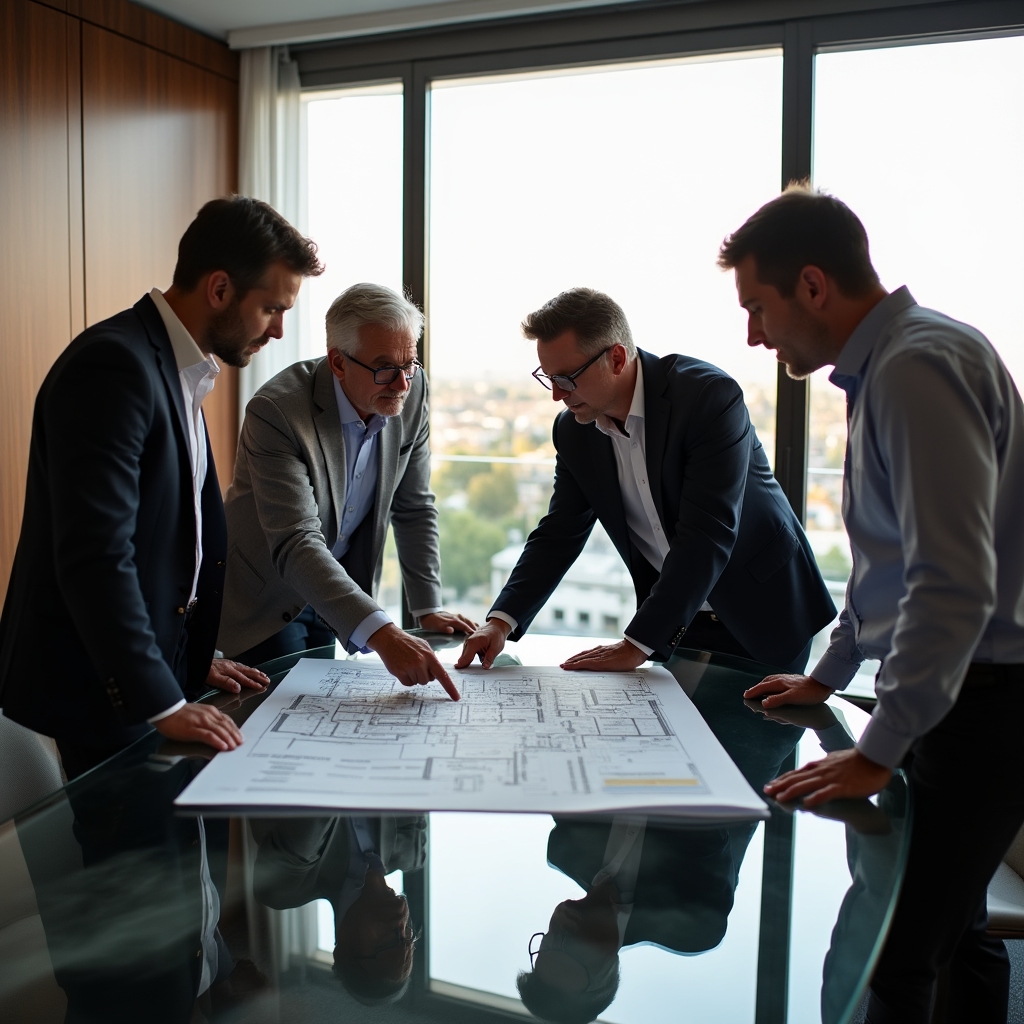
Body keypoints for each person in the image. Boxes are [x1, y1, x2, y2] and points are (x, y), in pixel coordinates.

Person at [718, 183, 1024, 1024]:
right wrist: (830, 674)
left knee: (888, 955)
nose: (754, 333)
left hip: (986, 700)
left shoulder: (918, 367)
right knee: (953, 930)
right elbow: (886, 568)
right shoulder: (892, 365)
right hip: (962, 692)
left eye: (758, 307)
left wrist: (879, 748)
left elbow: (954, 584)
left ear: (812, 286)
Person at [0, 196, 324, 778]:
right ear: (220, 289)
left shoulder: (181, 369)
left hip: (155, 676)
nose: (278, 330)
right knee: (136, 865)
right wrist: (163, 698)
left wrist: (190, 660)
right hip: (106, 689)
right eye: (272, 309)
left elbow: (168, 545)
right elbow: (96, 555)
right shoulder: (114, 365)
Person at [457, 288, 835, 676]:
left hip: (763, 607)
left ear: (616, 358)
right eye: (548, 378)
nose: (557, 395)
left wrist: (636, 644)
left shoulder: (707, 397)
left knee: (758, 735)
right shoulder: (574, 431)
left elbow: (707, 533)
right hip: (675, 623)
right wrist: (500, 621)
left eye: (567, 379)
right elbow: (560, 531)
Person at [218, 282, 474, 701]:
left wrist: (426, 606)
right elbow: (297, 541)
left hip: (339, 588)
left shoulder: (412, 391)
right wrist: (385, 635)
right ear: (338, 362)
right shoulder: (277, 411)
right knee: (278, 721)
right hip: (265, 597)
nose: (402, 384)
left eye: (410, 363)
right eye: (384, 367)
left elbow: (413, 506)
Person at [251, 814, 426, 1005]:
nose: (400, 923)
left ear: (342, 952)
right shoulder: (410, 852)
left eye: (390, 942)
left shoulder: (285, 888)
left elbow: (313, 800)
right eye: (408, 939)